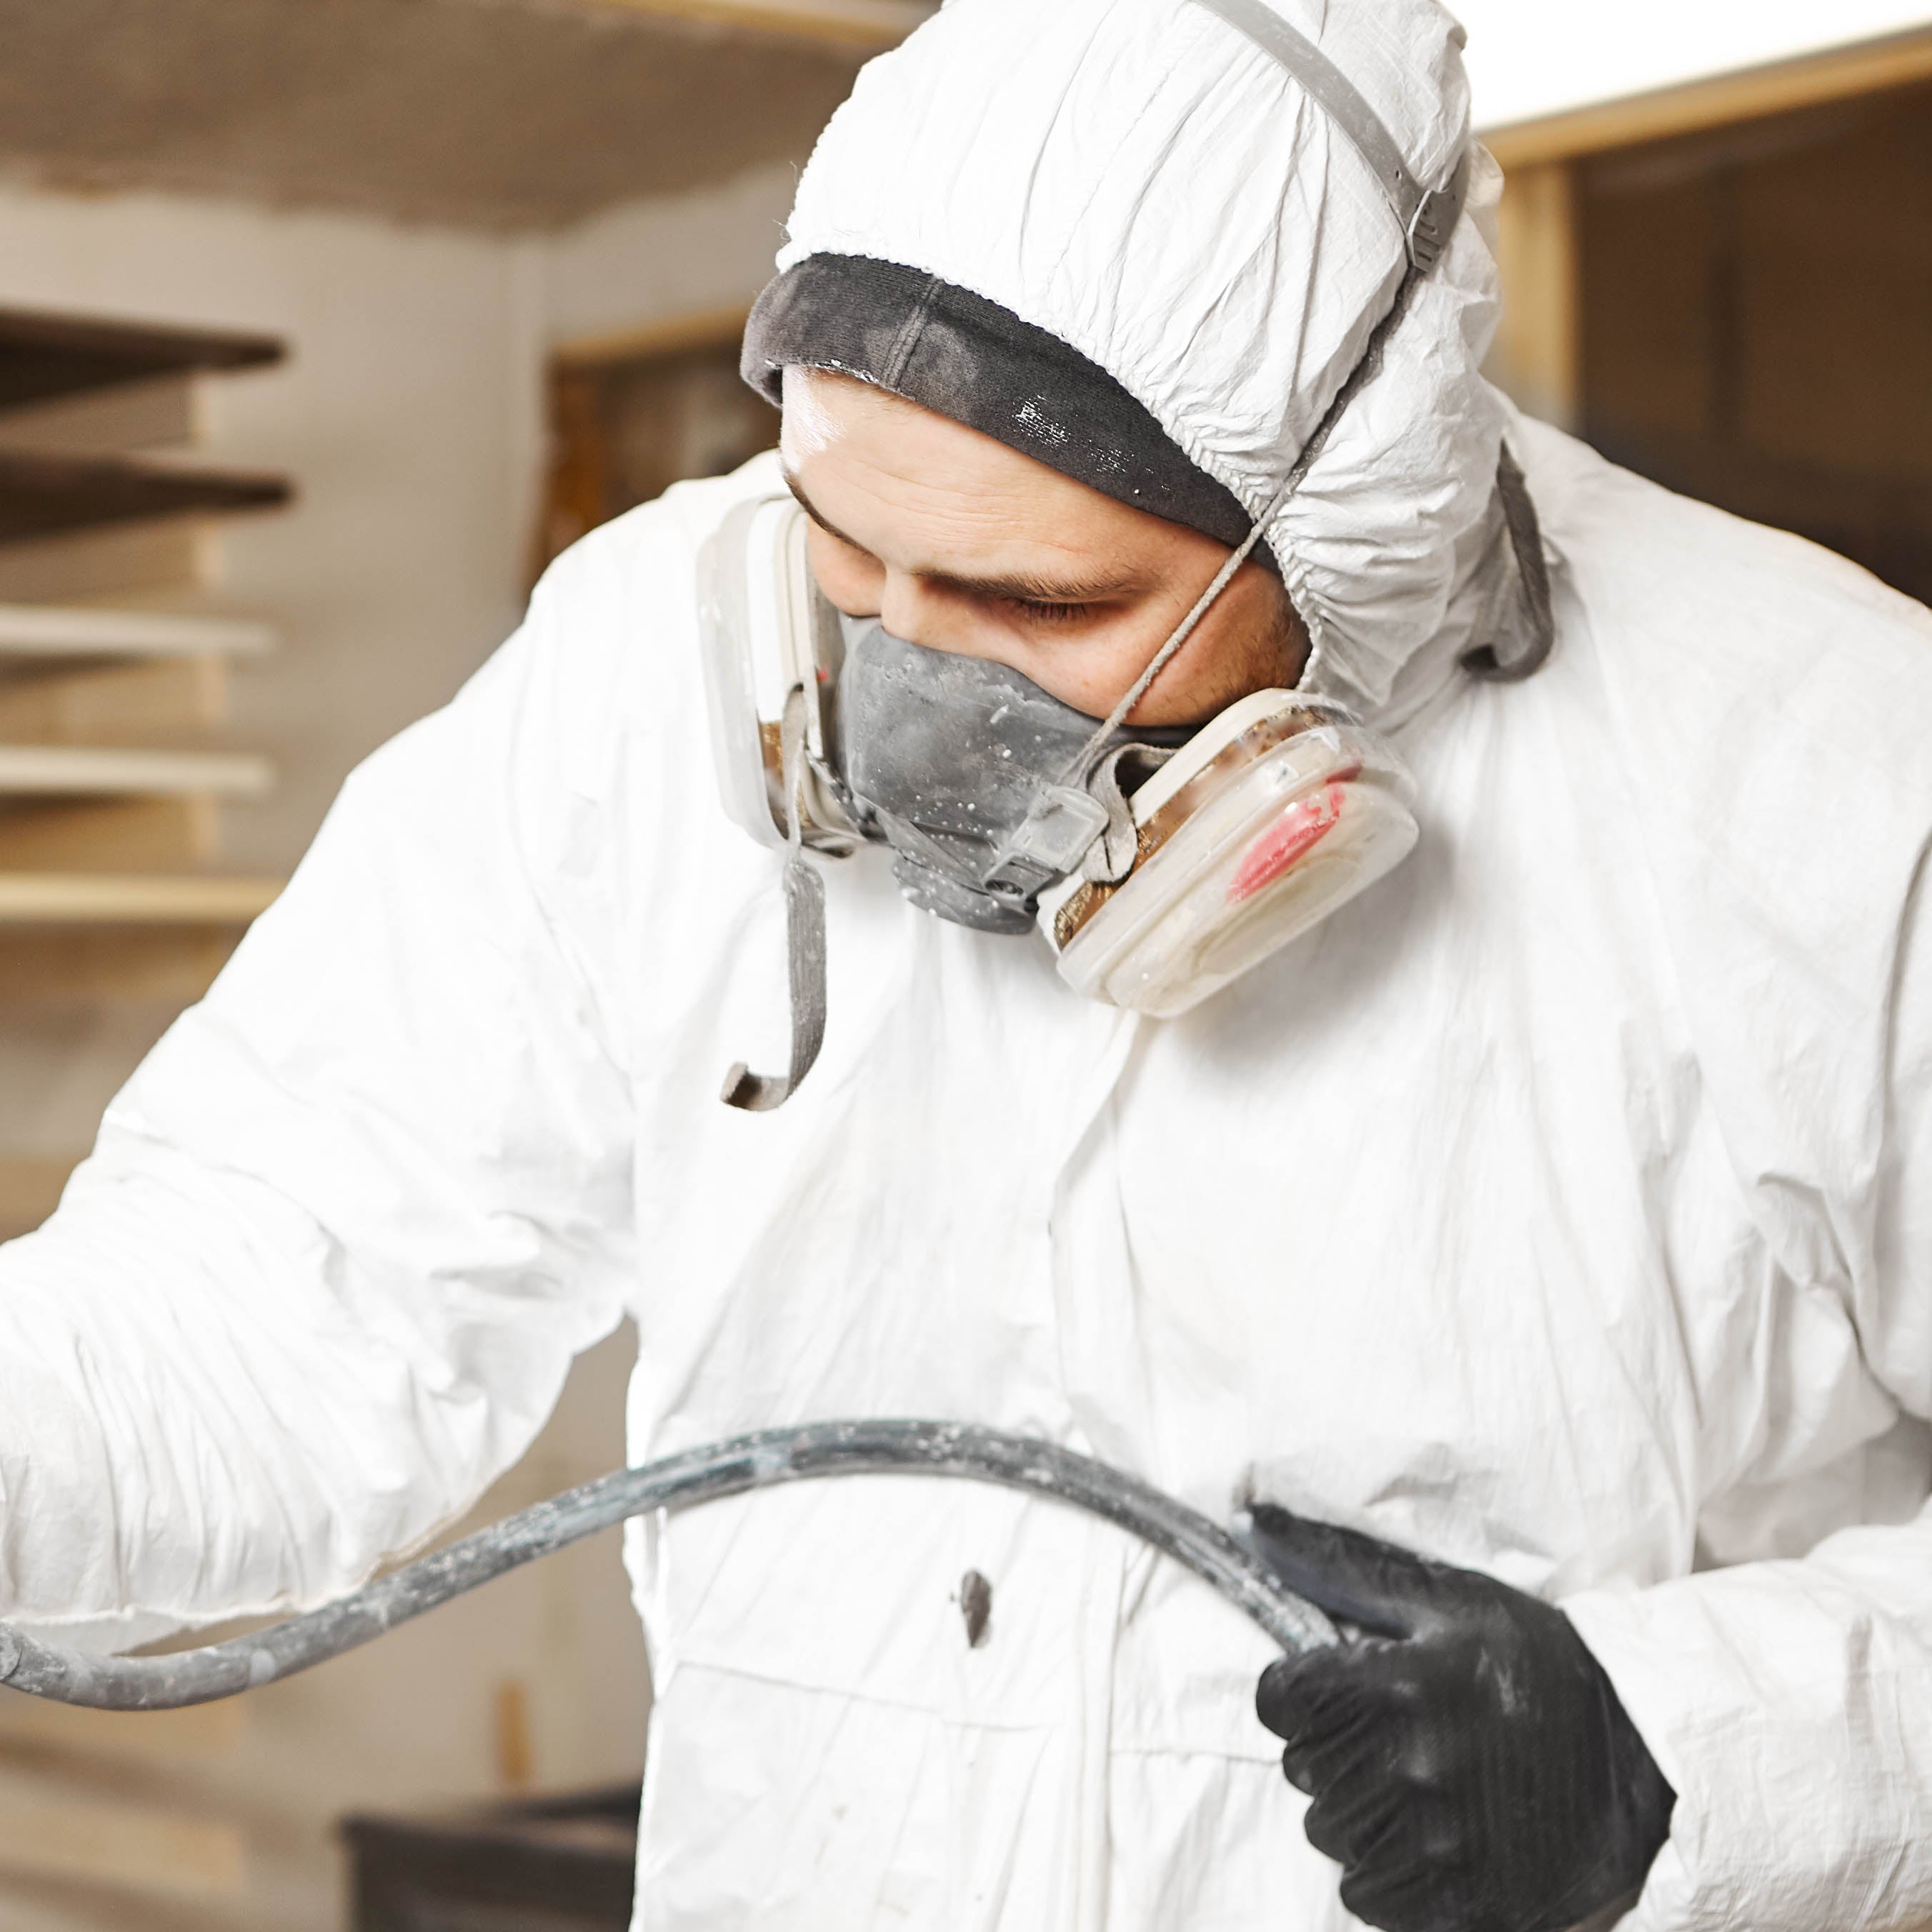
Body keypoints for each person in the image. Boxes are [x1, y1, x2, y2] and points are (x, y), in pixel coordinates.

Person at [3, 0, 1931, 1926]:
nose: (901, 697)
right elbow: (274, 1293)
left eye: (1043, 600)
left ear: (1347, 548)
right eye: (844, 557)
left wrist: (1697, 1746)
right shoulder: (642, 675)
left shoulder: (1825, 784)